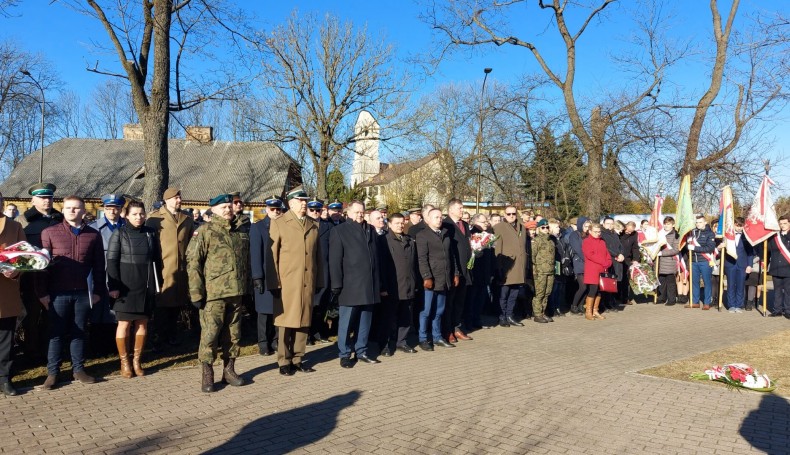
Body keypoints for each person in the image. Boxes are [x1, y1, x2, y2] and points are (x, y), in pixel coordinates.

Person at [37, 196, 106, 389]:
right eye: (68, 208)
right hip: (57, 292)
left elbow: (99, 265)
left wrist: (99, 291)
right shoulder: (50, 233)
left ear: (83, 211)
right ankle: (53, 373)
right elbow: (41, 266)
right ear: (63, 210)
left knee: (80, 331)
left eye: (76, 208)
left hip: (84, 293)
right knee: (56, 333)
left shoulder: (93, 235)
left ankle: (78, 369)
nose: (72, 211)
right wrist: (42, 292)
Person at [187, 194, 250, 393]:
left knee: (233, 334)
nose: (228, 209)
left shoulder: (240, 232)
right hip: (213, 294)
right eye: (223, 207)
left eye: (229, 206)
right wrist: (196, 293)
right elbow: (193, 263)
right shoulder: (205, 231)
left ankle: (229, 371)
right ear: (213, 209)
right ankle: (207, 374)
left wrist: (247, 289)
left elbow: (245, 264)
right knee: (210, 335)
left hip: (236, 292)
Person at [266, 189, 322, 375]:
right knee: (285, 322)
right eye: (300, 200)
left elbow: (317, 256)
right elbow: (272, 256)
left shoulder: (314, 225)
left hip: (307, 281)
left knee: (304, 321)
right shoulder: (280, 223)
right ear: (290, 203)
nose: (304, 203)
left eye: (305, 200)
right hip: (287, 282)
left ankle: (298, 358)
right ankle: (284, 361)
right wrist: (274, 283)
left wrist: (319, 280)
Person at [106, 201, 161, 378]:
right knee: (124, 324)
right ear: (126, 215)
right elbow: (112, 261)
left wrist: (157, 283)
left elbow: (157, 261)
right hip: (124, 286)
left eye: (141, 214)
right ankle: (125, 362)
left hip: (145, 284)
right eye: (135, 214)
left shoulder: (151, 233)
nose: (139, 217)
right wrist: (114, 286)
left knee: (142, 323)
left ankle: (137, 361)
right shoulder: (119, 233)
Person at [329, 200, 381, 368]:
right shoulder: (339, 231)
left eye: (362, 212)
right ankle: (344, 354)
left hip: (369, 284)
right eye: (356, 212)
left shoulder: (370, 230)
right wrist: (336, 284)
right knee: (347, 322)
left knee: (365, 321)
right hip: (350, 285)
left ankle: (362, 350)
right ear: (348, 213)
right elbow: (335, 261)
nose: (360, 214)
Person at [18, 183, 63, 362]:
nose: (47, 201)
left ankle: (49, 351)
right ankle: (31, 351)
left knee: (52, 316)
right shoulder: (23, 221)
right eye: (42, 198)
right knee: (31, 317)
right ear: (33, 200)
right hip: (31, 277)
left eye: (50, 197)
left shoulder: (60, 219)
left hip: (56, 275)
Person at [145, 188, 195, 349]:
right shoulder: (154, 219)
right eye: (175, 198)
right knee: (161, 306)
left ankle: (172, 335)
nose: (179, 200)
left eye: (179, 197)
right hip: (163, 269)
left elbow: (190, 243)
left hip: (181, 270)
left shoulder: (187, 219)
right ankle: (158, 338)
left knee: (177, 305)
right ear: (166, 200)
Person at [88, 194, 127, 356]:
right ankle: (97, 348)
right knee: (98, 312)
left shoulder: (126, 226)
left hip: (121, 276)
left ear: (120, 209)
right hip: (99, 275)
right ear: (104, 209)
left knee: (116, 312)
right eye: (109, 208)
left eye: (116, 208)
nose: (112, 211)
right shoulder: (94, 228)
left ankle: (114, 347)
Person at [416, 208, 459, 350]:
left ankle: (437, 336)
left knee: (439, 310)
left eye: (441, 217)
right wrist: (426, 276)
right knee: (427, 311)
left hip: (444, 278)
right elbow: (422, 259)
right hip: (431, 279)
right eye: (436, 217)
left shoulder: (445, 234)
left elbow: (451, 256)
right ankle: (423, 338)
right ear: (428, 219)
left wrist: (455, 273)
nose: (439, 219)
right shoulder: (423, 235)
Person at [377, 213, 418, 355]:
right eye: (397, 223)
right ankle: (384, 344)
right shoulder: (383, 241)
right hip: (391, 287)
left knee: (406, 317)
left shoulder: (409, 240)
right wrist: (383, 287)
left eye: (402, 223)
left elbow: (414, 264)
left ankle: (402, 342)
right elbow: (381, 266)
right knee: (388, 318)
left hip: (408, 285)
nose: (400, 225)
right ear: (389, 224)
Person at [250, 196, 285, 356]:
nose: (276, 212)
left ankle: (276, 340)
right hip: (264, 275)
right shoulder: (258, 227)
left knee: (279, 310)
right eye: (272, 209)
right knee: (264, 312)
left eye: (278, 209)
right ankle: (263, 342)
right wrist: (257, 276)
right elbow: (255, 254)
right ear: (267, 209)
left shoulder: (285, 227)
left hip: (282, 275)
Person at [0, 193, 26, 396]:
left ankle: (5, 379)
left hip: (5, 292)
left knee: (5, 340)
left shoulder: (14, 227)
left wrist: (15, 270)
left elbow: (24, 256)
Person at [442, 198, 472, 341]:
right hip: (453, 269)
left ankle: (457, 327)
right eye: (459, 208)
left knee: (460, 301)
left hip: (466, 268)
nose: (462, 210)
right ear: (451, 209)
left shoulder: (465, 225)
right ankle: (447, 330)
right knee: (450, 302)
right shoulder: (446, 225)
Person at [493, 206, 528, 327]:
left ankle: (510, 315)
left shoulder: (522, 227)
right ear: (504, 215)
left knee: (514, 292)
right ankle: (502, 316)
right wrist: (499, 267)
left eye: (513, 213)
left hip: (519, 264)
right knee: (504, 293)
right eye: (509, 214)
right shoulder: (499, 227)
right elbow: (498, 248)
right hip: (507, 264)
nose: (511, 216)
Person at [306, 197, 333, 345]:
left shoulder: (328, 226)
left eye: (318, 210)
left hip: (324, 271)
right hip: (308, 270)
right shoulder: (302, 225)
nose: (315, 213)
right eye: (312, 210)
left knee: (321, 305)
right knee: (308, 306)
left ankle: (317, 332)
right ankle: (307, 335)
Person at [465, 213, 494, 330]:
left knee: (480, 299)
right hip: (476, 272)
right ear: (476, 222)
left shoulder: (487, 235)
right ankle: (469, 321)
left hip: (484, 272)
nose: (486, 223)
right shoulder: (473, 234)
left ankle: (477, 319)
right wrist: (476, 253)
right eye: (483, 221)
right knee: (472, 299)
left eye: (486, 221)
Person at [723, 217, 754, 313]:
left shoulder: (746, 236)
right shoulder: (727, 235)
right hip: (730, 263)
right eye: (738, 226)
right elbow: (721, 248)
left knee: (740, 285)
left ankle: (739, 305)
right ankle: (731, 305)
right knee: (731, 285)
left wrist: (750, 265)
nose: (740, 228)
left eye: (741, 226)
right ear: (734, 224)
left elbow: (750, 252)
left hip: (742, 264)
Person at [582, 223, 612, 320]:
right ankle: (588, 312)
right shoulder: (586, 241)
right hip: (592, 270)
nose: (598, 234)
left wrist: (608, 262)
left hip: (602, 269)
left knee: (600, 291)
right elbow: (590, 255)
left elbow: (607, 254)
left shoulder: (602, 242)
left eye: (599, 232)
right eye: (595, 232)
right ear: (590, 231)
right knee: (593, 290)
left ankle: (595, 310)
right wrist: (603, 262)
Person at [686, 215, 716, 310]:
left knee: (707, 282)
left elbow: (709, 248)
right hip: (694, 261)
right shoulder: (692, 233)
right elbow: (688, 245)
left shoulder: (710, 234)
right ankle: (695, 302)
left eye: (700, 222)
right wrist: (688, 243)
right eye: (697, 222)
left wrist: (694, 248)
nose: (698, 224)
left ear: (705, 223)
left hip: (705, 261)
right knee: (695, 282)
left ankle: (707, 302)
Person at [531, 219, 555, 323]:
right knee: (539, 293)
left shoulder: (551, 240)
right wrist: (534, 270)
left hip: (550, 271)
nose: (545, 229)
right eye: (543, 227)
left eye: (547, 227)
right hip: (540, 271)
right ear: (539, 229)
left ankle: (542, 312)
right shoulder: (536, 240)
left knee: (547, 293)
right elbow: (532, 256)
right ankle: (537, 314)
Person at [566, 217, 590, 314]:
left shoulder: (589, 235)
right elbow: (578, 250)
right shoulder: (574, 235)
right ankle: (574, 305)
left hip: (589, 263)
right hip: (579, 262)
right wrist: (588, 259)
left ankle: (581, 305)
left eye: (589, 226)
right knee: (583, 286)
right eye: (586, 226)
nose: (587, 228)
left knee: (587, 286)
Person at [767, 216, 790, 318]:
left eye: (784, 223)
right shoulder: (774, 237)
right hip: (776, 267)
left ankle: (788, 311)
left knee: (788, 291)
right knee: (777, 290)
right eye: (780, 224)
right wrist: (765, 262)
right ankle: (777, 310)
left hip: (788, 267)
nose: (782, 226)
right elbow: (768, 251)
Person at [601, 217, 624, 312]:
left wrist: (622, 254)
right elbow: (606, 248)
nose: (610, 225)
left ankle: (611, 302)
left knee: (614, 283)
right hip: (608, 261)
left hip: (617, 261)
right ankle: (605, 304)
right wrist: (617, 254)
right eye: (607, 223)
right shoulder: (602, 234)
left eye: (611, 223)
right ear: (603, 224)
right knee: (607, 283)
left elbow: (620, 246)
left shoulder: (614, 234)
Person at [656, 217, 680, 306]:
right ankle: (662, 297)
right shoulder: (659, 234)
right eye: (665, 224)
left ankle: (671, 299)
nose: (666, 225)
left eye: (668, 224)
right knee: (661, 281)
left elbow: (676, 250)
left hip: (670, 261)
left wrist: (662, 253)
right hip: (660, 261)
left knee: (670, 282)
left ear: (673, 225)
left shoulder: (676, 235)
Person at [619, 221, 640, 306]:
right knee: (619, 279)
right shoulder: (621, 233)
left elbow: (635, 247)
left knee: (626, 280)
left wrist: (635, 259)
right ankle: (617, 297)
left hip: (628, 259)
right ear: (625, 227)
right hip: (619, 257)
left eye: (631, 231)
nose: (629, 233)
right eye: (628, 231)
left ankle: (625, 298)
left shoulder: (634, 234)